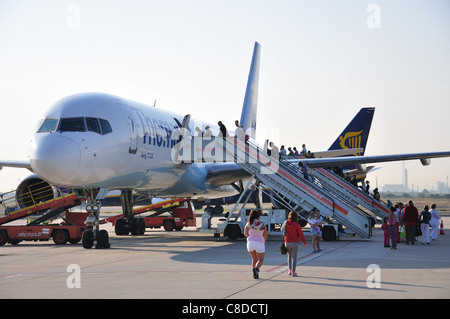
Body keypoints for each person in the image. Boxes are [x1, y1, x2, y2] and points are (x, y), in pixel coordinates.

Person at [244, 210, 268, 279]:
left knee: (254, 258)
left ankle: (255, 274)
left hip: (250, 243)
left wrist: (251, 237)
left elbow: (245, 234)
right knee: (260, 260)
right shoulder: (262, 224)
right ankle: (256, 269)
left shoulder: (249, 223)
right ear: (258, 216)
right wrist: (264, 241)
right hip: (259, 243)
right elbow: (265, 235)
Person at [284, 211, 307, 277]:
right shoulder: (297, 225)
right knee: (294, 258)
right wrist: (304, 241)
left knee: (289, 256)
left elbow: (283, 230)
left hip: (287, 242)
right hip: (295, 242)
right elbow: (301, 234)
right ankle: (293, 272)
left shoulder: (286, 223)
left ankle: (289, 270)